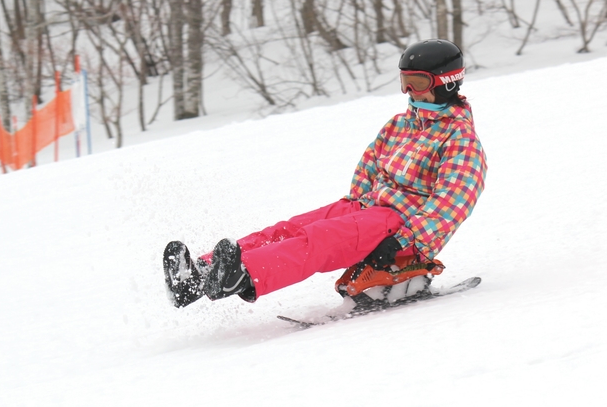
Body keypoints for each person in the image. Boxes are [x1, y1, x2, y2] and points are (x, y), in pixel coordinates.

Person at [164, 39, 487, 307]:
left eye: (418, 83)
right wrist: (355, 202)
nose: (409, 93)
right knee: (289, 228)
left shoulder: (460, 139)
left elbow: (452, 203)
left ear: (446, 82)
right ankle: (200, 273)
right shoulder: (399, 124)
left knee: (315, 240)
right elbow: (370, 163)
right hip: (365, 206)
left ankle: (244, 273)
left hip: (398, 222)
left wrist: (407, 239)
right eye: (404, 83)